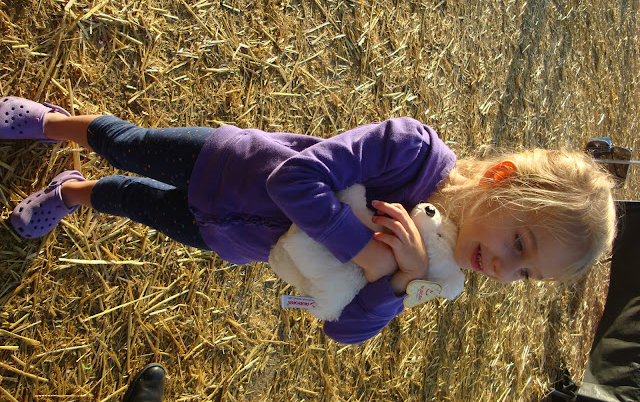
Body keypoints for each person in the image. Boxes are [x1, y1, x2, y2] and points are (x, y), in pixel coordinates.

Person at [4, 96, 617, 344]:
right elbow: (292, 179)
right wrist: (363, 250)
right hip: (231, 167)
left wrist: (396, 284)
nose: (505, 268)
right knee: (129, 143)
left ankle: (73, 192)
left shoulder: (430, 269)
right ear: (502, 177)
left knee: (133, 202)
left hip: (233, 236)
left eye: (527, 274)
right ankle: (50, 123)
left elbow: (341, 330)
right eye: (521, 241)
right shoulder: (410, 150)